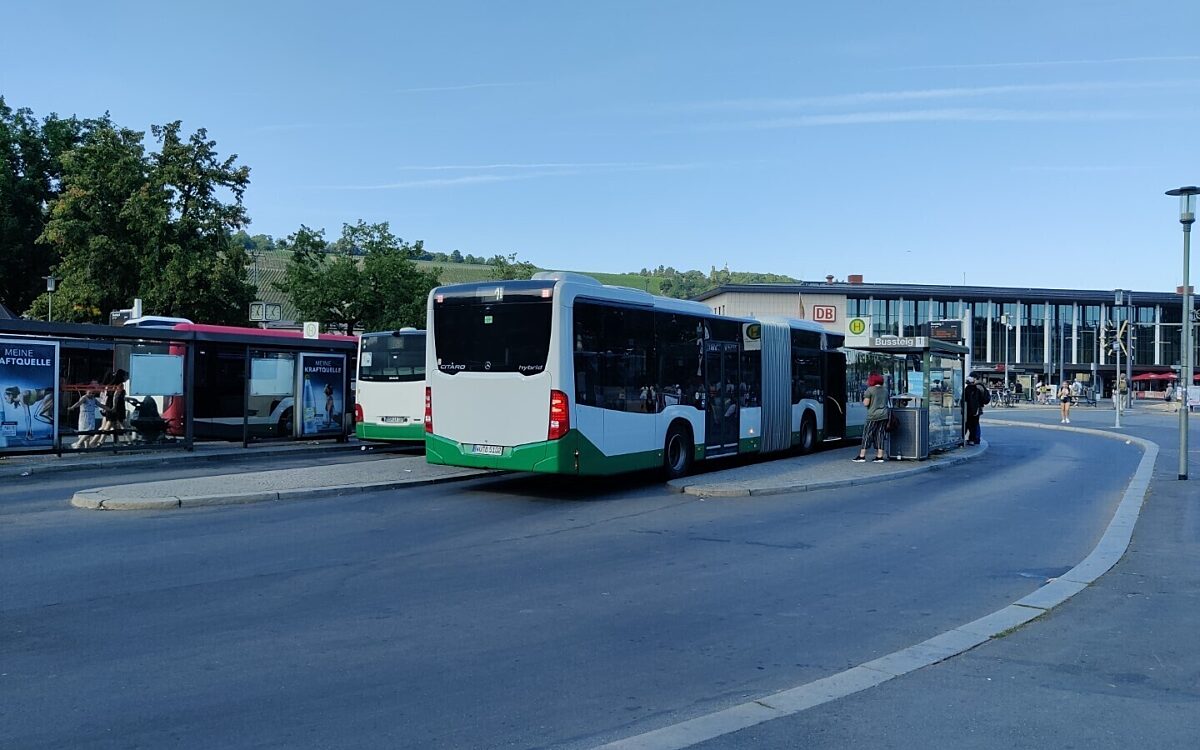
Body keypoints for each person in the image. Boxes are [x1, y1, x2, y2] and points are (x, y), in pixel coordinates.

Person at [853, 373, 890, 463]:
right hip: (884, 415)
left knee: (867, 434)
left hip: (873, 416)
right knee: (880, 434)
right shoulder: (885, 390)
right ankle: (880, 457)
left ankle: (862, 456)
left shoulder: (870, 390)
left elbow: (866, 403)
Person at [70, 382, 102, 449]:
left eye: (93, 393)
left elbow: (100, 405)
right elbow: (79, 403)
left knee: (89, 431)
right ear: (86, 392)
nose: (91, 394)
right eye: (90, 393)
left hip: (91, 415)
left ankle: (86, 447)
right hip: (84, 416)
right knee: (87, 431)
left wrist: (109, 409)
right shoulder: (84, 398)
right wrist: (73, 407)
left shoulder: (94, 399)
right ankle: (78, 443)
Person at [962, 376, 988, 445]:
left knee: (966, 425)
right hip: (976, 411)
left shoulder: (966, 390)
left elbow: (964, 401)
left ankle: (963, 438)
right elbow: (981, 400)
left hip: (968, 411)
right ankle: (972, 440)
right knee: (974, 426)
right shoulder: (977, 389)